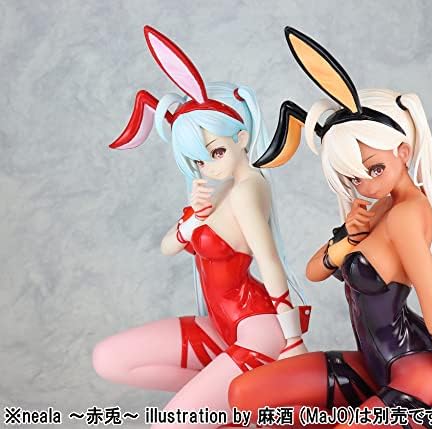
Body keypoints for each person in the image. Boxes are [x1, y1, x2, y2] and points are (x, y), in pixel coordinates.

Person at [229, 27, 432, 429]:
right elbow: (314, 271)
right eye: (354, 177)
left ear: (403, 152)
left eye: (374, 169)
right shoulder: (379, 210)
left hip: (414, 371)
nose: (366, 184)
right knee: (245, 394)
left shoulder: (408, 214)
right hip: (373, 364)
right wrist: (348, 238)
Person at [92, 26, 310, 429]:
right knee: (109, 359)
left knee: (170, 423)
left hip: (257, 330)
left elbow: (270, 262)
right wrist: (192, 220)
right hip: (220, 326)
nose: (208, 167)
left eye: (215, 152)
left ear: (242, 137)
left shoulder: (247, 189)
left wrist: (294, 340)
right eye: (198, 161)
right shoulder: (222, 190)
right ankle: (232, 408)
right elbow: (167, 247)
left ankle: (226, 405)